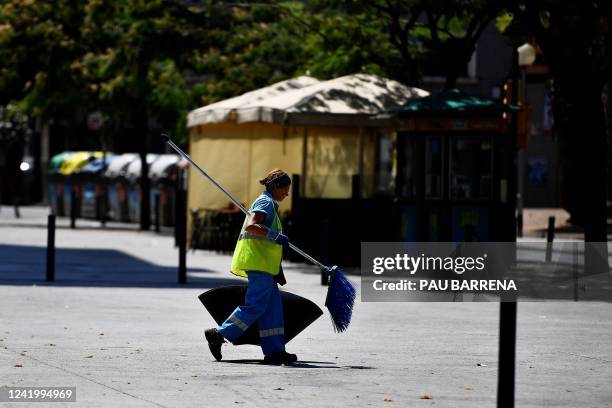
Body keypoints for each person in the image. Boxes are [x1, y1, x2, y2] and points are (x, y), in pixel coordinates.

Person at [205, 169, 297, 365]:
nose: (287, 194)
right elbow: (252, 226)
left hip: (266, 266)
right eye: (286, 189)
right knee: (255, 305)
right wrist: (275, 236)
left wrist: (277, 270)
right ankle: (219, 334)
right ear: (276, 187)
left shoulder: (270, 203)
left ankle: (275, 352)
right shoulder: (266, 202)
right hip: (258, 264)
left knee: (272, 310)